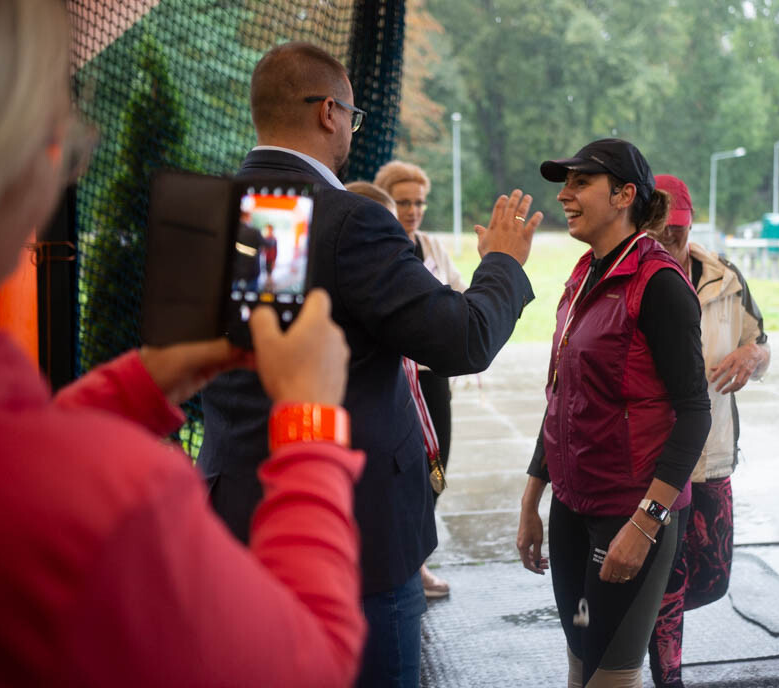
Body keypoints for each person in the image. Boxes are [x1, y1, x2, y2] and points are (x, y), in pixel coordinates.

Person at [0, 0, 366, 686]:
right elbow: (310, 661)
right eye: (55, 143)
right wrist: (308, 418)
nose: (61, 174)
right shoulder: (111, 501)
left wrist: (141, 383)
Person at [199, 42, 542, 688]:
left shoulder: (216, 210)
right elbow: (461, 339)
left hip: (236, 521)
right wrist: (502, 263)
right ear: (329, 112)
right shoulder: (348, 221)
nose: (352, 130)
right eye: (351, 116)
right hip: (350, 539)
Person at [516, 139, 711, 688]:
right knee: (581, 665)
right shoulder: (583, 274)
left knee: (611, 677)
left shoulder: (661, 285)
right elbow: (563, 398)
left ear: (625, 194)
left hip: (629, 515)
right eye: (566, 183)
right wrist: (533, 498)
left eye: (581, 183)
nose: (565, 194)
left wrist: (646, 522)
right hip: (572, 510)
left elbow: (695, 413)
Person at [647, 175, 771, 688]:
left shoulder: (727, 277)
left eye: (676, 229)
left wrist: (752, 355)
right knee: (668, 584)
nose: (668, 240)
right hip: (659, 462)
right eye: (658, 229)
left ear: (691, 223)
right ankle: (664, 673)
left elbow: (762, 345)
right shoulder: (640, 276)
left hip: (715, 454)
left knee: (713, 578)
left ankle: (642, 623)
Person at [374, 159, 466, 599]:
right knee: (399, 469)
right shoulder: (377, 247)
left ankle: (416, 556)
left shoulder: (431, 247)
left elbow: (460, 298)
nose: (413, 211)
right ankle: (412, 566)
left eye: (419, 202)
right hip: (391, 377)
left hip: (431, 377)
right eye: (404, 202)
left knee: (435, 468)